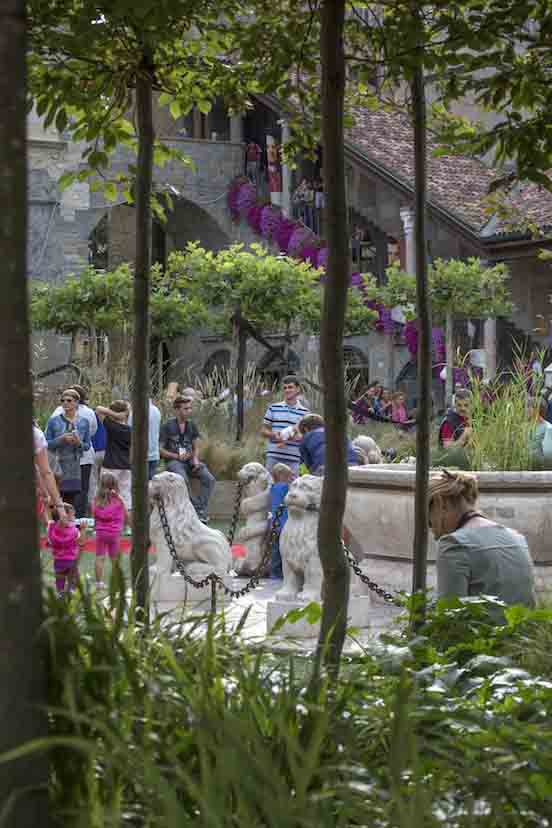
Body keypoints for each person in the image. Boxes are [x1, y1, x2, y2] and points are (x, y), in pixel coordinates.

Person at [429, 469, 536, 618]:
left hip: (483, 639)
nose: (432, 531)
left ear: (441, 503)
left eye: (429, 520)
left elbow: (449, 619)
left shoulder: (453, 544)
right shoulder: (517, 538)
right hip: (524, 637)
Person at [159, 395, 215, 521]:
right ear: (177, 410)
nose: (189, 411)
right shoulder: (167, 426)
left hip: (190, 460)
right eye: (186, 409)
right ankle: (197, 510)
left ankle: (199, 508)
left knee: (209, 478)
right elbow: (160, 450)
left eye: (190, 408)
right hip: (174, 461)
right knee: (182, 479)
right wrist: (176, 456)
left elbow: (196, 446)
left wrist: (195, 459)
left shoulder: (191, 425)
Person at [51, 384, 97, 518]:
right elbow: (49, 440)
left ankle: (74, 519)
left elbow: (89, 436)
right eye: (63, 400)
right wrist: (62, 439)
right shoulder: (57, 415)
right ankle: (67, 518)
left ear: (77, 400)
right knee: (70, 491)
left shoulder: (85, 417)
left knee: (77, 491)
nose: (65, 403)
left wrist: (78, 442)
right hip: (67, 459)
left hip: (80, 457)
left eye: (69, 400)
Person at [261, 375, 310, 474]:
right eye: (285, 388)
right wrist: (274, 435)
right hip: (273, 456)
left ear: (297, 389)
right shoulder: (273, 408)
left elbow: (307, 436)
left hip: (294, 459)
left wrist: (293, 437)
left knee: (293, 488)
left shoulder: (305, 413)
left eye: (290, 387)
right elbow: (263, 431)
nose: (287, 390)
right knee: (270, 486)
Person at [92, 471, 128, 589]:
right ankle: (117, 582)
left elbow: (94, 514)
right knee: (115, 560)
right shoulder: (118, 501)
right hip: (114, 534)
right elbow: (126, 514)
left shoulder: (96, 500)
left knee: (99, 557)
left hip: (101, 533)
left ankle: (98, 583)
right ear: (115, 485)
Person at [96, 401, 132, 512]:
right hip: (126, 466)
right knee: (125, 494)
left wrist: (114, 414)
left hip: (110, 464)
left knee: (106, 492)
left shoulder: (110, 425)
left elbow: (98, 409)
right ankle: (126, 518)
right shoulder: (131, 430)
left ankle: (106, 515)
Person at [33, 423, 66, 524]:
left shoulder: (36, 435)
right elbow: (45, 472)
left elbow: (42, 471)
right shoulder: (35, 434)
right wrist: (60, 507)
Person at [47, 503, 83, 596]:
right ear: (65, 517)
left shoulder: (51, 528)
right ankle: (71, 591)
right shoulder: (75, 531)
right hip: (71, 560)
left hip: (58, 560)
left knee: (60, 580)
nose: (75, 517)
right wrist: (83, 530)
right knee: (75, 579)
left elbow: (50, 541)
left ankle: (60, 594)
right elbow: (80, 542)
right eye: (73, 515)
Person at [269, 463, 294, 579]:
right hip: (284, 524)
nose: (291, 478)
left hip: (274, 524)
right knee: (284, 550)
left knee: (275, 550)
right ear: (281, 475)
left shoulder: (273, 488)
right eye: (289, 475)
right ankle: (283, 572)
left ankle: (274, 573)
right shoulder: (285, 487)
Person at [128, 398, 161, 480]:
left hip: (139, 456)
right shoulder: (157, 411)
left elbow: (129, 433)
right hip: (154, 454)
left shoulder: (135, 412)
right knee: (152, 486)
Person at [529, 397, 552, 462]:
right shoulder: (525, 427)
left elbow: (548, 453)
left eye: (529, 407)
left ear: (537, 409)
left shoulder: (548, 428)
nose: (526, 409)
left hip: (540, 466)